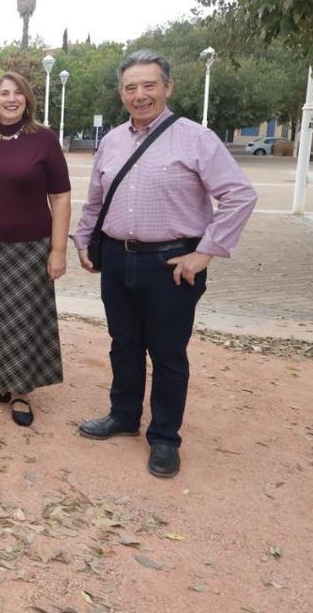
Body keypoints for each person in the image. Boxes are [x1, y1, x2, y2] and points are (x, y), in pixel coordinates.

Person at [73, 49, 257, 479]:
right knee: (124, 343)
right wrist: (83, 240)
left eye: (149, 85)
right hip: (118, 259)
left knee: (169, 354)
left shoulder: (195, 138)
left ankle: (165, 438)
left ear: (168, 87)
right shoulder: (113, 141)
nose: (140, 95)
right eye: (131, 87)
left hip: (172, 264)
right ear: (122, 93)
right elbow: (96, 199)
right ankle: (123, 416)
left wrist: (205, 251)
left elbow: (239, 195)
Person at [0, 73, 71, 428]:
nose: (10, 99)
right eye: (3, 94)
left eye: (17, 93)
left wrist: (58, 250)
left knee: (23, 319)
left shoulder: (45, 139)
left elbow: (61, 196)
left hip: (31, 246)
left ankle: (21, 390)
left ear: (26, 99)